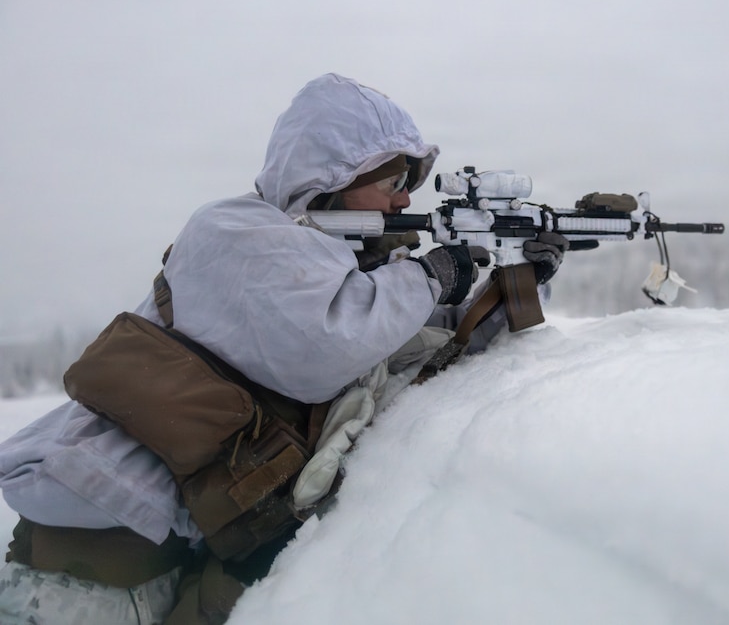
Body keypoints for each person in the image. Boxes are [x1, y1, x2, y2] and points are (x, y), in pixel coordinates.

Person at [0, 73, 568, 624]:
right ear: (330, 176)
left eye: (409, 188)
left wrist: (518, 277)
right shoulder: (238, 232)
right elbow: (323, 346)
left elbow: (417, 347)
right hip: (95, 536)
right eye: (392, 183)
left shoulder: (335, 270)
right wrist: (426, 277)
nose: (401, 204)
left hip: (187, 532)